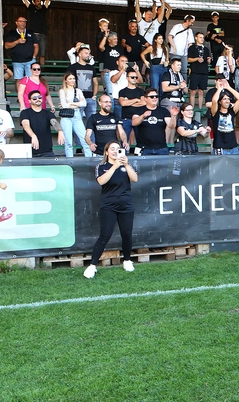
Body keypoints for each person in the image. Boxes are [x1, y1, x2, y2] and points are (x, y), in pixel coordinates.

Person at [83, 141, 139, 279]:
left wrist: (125, 164)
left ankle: (127, 260)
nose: (115, 151)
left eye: (117, 149)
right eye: (112, 149)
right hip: (109, 206)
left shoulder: (126, 166)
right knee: (105, 236)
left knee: (127, 234)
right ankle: (92, 266)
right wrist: (114, 167)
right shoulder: (101, 166)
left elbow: (135, 179)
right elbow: (101, 181)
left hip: (126, 205)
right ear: (107, 152)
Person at [20, 90, 65, 158]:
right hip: (31, 151)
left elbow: (54, 122)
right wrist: (33, 136)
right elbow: (26, 125)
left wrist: (60, 131)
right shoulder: (25, 113)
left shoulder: (48, 113)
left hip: (47, 151)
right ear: (29, 101)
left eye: (39, 97)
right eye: (34, 98)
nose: (37, 99)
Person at [59, 73, 92, 157]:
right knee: (68, 143)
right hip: (66, 117)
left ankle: (89, 161)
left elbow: (84, 103)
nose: (72, 80)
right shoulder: (62, 91)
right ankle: (70, 163)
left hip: (77, 115)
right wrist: (77, 103)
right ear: (66, 80)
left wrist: (70, 103)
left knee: (85, 140)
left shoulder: (78, 90)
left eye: (73, 78)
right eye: (70, 79)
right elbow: (64, 105)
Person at [132, 90, 175, 156]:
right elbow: (134, 123)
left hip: (161, 148)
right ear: (145, 99)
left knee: (163, 167)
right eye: (152, 97)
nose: (155, 98)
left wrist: (173, 116)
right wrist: (143, 116)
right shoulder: (138, 110)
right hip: (143, 148)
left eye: (156, 96)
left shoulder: (163, 111)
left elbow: (171, 126)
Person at [3, 15, 38, 81]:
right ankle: (19, 91)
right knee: (18, 79)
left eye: (24, 21)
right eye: (21, 21)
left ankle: (30, 91)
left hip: (30, 60)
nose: (23, 23)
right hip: (17, 60)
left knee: (31, 79)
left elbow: (36, 46)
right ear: (16, 23)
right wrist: (17, 41)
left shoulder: (30, 32)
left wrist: (34, 57)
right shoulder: (12, 33)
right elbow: (6, 46)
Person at [21, 0, 51, 65]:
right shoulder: (31, 8)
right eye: (37, 1)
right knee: (33, 52)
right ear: (34, 2)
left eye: (40, 1)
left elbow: (48, 0)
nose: (39, 2)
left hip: (42, 34)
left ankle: (43, 70)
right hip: (34, 34)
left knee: (42, 53)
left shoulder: (43, 8)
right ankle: (32, 68)